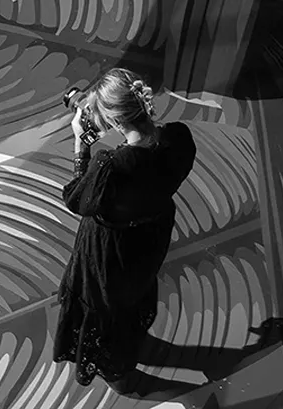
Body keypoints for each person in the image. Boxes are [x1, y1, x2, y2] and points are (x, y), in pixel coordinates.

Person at [55, 68, 197, 391]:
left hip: (109, 257)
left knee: (106, 311)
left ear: (116, 122)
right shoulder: (178, 140)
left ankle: (124, 377)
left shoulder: (110, 168)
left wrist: (81, 144)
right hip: (146, 243)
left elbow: (78, 198)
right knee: (130, 300)